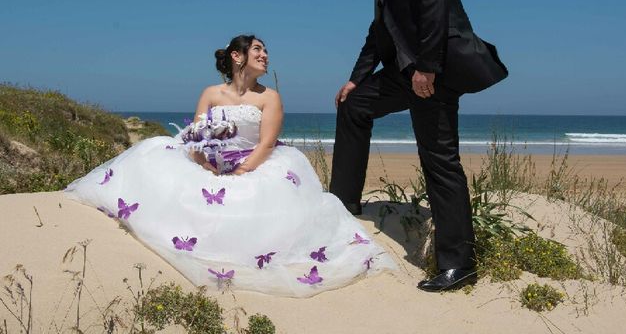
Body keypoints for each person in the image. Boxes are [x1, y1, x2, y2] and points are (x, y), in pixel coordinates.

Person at [65, 34, 395, 297]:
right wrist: (205, 163)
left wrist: (241, 171)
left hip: (256, 161)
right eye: (257, 50)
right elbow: (196, 135)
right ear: (237, 57)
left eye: (266, 51)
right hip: (210, 159)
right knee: (151, 155)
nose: (265, 55)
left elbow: (266, 143)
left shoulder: (269, 97)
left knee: (247, 201)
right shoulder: (211, 93)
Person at [330, 0, 508, 292]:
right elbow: (379, 33)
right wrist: (356, 79)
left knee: (440, 160)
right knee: (353, 105)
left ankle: (459, 264)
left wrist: (427, 66)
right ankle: (343, 204)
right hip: (405, 73)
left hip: (435, 71)